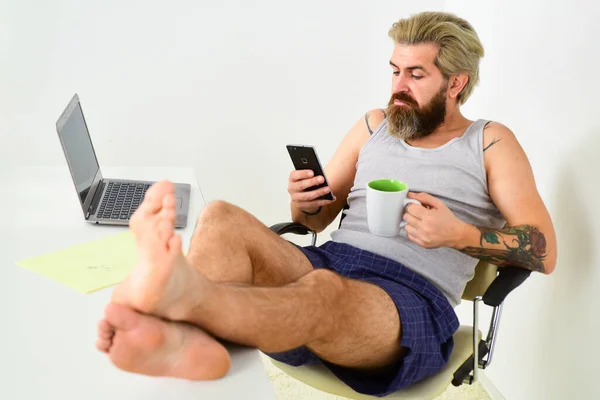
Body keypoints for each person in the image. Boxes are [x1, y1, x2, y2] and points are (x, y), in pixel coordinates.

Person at [95, 11, 557, 396]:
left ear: (456, 83)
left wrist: (460, 235)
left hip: (411, 299)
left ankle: (186, 305)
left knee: (322, 291)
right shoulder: (376, 124)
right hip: (329, 261)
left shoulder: (490, 142)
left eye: (416, 74)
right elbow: (313, 219)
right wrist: (305, 199)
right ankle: (191, 343)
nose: (399, 84)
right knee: (220, 218)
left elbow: (544, 249)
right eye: (395, 70)